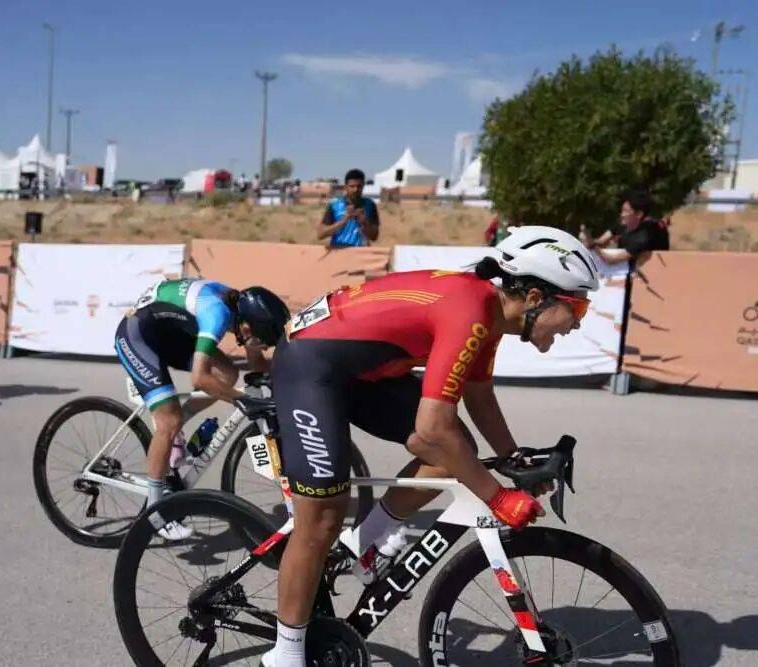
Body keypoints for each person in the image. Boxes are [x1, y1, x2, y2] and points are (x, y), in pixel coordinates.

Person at [261, 226, 599, 667]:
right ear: (535, 297)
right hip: (310, 367)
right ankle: (285, 654)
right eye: (577, 307)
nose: (578, 323)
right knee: (322, 517)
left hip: (357, 371)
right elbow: (430, 432)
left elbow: (478, 394)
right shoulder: (470, 311)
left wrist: (513, 459)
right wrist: (497, 498)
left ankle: (363, 546)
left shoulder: (489, 313)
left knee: (457, 452)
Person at [115, 278, 289, 539]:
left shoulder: (240, 310)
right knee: (168, 421)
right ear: (247, 326)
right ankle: (155, 514)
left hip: (168, 331)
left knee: (228, 374)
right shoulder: (216, 314)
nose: (262, 346)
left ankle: (177, 430)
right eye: (261, 340)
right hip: (138, 335)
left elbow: (257, 364)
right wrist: (241, 399)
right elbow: (199, 378)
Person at [581, 189, 669, 265]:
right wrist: (590, 241)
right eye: (622, 210)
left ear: (639, 214)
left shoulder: (642, 238)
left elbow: (611, 260)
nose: (622, 214)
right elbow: (602, 241)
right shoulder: (623, 222)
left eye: (626, 211)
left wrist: (594, 247)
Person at [316, 168, 379, 248]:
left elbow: (374, 237)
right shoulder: (335, 205)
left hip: (361, 252)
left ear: (363, 186)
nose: (355, 189)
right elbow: (320, 234)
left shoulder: (370, 205)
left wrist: (363, 222)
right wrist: (343, 221)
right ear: (345, 187)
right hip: (339, 252)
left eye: (359, 186)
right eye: (352, 186)